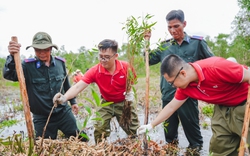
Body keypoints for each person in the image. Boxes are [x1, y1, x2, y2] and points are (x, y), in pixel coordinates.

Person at [137, 54, 250, 155]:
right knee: (220, 147)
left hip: (244, 104)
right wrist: (151, 125)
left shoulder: (216, 67)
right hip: (222, 107)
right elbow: (171, 107)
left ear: (182, 73)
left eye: (172, 83)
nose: (173, 86)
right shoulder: (185, 87)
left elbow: (248, 75)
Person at [144, 9, 213, 150]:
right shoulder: (164, 46)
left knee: (194, 138)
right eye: (169, 27)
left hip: (188, 96)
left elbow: (212, 64)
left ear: (184, 24)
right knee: (170, 138)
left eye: (176, 26)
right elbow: (148, 60)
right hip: (168, 96)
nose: (173, 30)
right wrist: (147, 42)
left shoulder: (197, 43)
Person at [3, 32, 88, 141]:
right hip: (42, 117)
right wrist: (11, 56)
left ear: (51, 49)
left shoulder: (59, 63)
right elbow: (9, 74)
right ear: (34, 50)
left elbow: (66, 84)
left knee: (80, 138)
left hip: (63, 112)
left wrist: (73, 102)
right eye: (38, 50)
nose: (42, 53)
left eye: (46, 50)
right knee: (44, 147)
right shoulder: (27, 66)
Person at [53, 39, 139, 144]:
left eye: (107, 57)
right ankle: (100, 148)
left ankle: (136, 145)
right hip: (106, 103)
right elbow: (77, 87)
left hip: (123, 102)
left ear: (116, 56)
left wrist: (129, 96)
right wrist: (64, 97)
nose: (103, 60)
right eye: (100, 56)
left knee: (133, 128)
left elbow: (133, 82)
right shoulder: (95, 70)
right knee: (100, 128)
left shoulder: (126, 67)